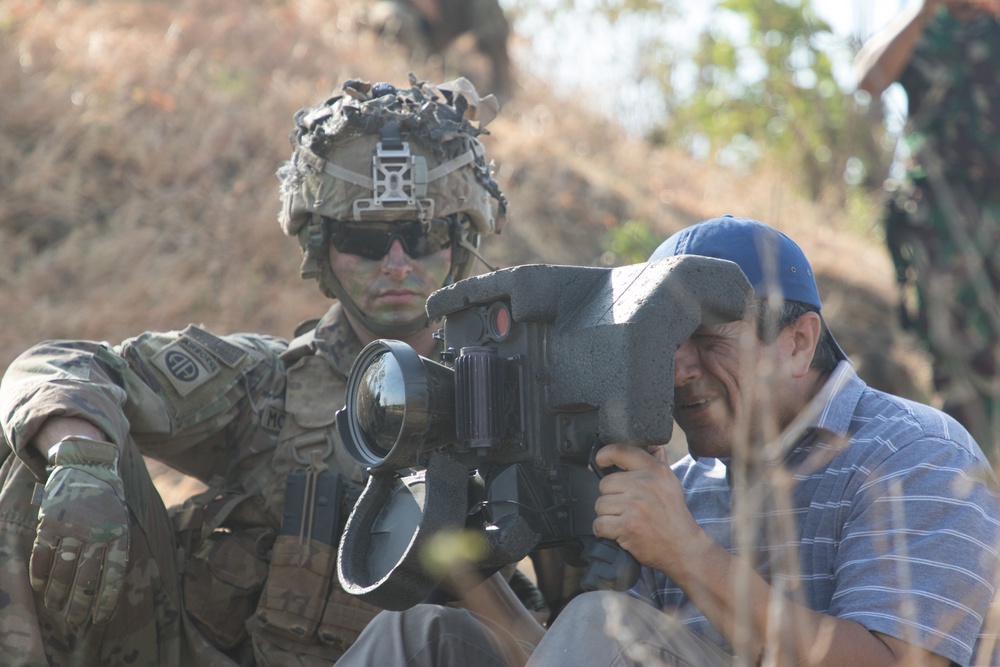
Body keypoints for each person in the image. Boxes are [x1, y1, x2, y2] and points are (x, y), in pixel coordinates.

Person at [0, 75, 517, 666]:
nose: (396, 264)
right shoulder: (268, 384)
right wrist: (81, 460)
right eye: (365, 239)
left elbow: (583, 625)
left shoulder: (516, 404)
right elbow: (57, 366)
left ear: (461, 240)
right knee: (40, 450)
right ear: (322, 245)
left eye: (421, 234)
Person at [334, 215, 1000, 667]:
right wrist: (471, 567)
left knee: (600, 616)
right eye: (663, 346)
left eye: (709, 342)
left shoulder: (917, 452)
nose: (680, 370)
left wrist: (687, 552)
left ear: (798, 343)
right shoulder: (686, 482)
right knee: (417, 635)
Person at [853, 0, 1000, 461]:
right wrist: (922, 11)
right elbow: (869, 80)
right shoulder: (919, 29)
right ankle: (966, 480)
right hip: (937, 220)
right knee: (957, 358)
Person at [366, 0, 514, 101]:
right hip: (408, 12)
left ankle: (502, 89)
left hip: (448, 14)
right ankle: (418, 85)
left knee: (486, 5)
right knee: (394, 18)